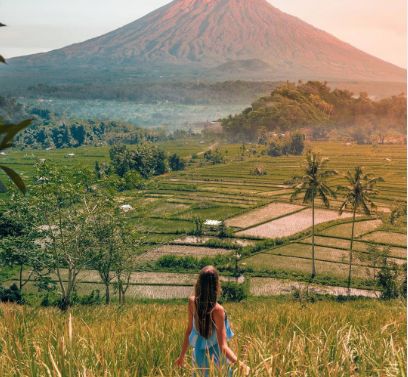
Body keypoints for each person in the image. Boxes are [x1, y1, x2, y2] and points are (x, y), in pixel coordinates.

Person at [175, 266, 250, 376]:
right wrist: (241, 365)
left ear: (199, 283)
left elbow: (189, 331)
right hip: (217, 359)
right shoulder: (218, 310)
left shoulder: (192, 302)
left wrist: (181, 357)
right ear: (217, 285)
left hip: (199, 357)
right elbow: (223, 347)